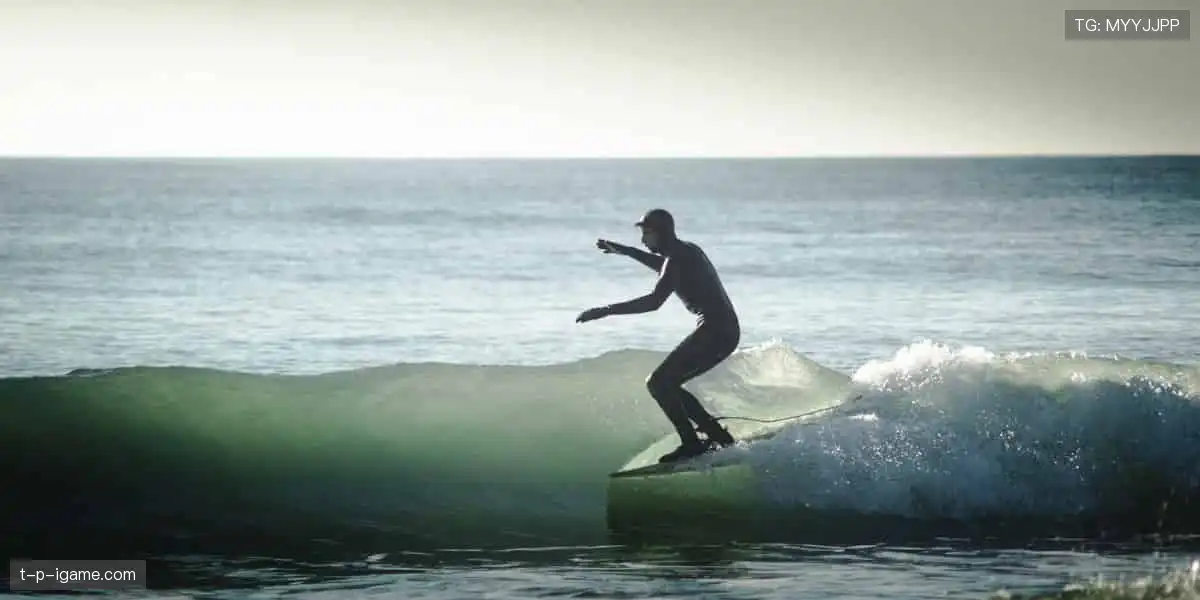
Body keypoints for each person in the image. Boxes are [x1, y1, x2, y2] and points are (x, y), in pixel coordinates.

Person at [576, 208, 740, 463]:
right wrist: (626, 251)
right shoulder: (686, 251)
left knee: (658, 383)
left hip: (716, 331)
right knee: (669, 384)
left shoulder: (676, 259)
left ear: (660, 233)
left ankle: (692, 443)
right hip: (724, 330)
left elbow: (654, 301)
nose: (643, 240)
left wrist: (606, 310)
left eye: (646, 233)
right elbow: (662, 267)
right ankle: (719, 437)